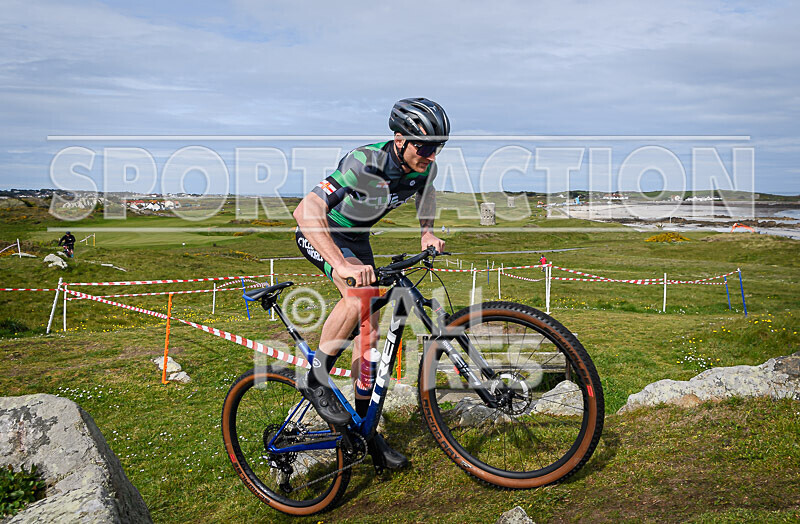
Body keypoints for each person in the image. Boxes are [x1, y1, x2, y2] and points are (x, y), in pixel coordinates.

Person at [293, 98, 449, 471]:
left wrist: (426, 232)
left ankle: (367, 433)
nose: (431, 154)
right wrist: (341, 263)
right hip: (323, 233)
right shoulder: (365, 164)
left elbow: (424, 195)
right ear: (399, 140)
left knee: (370, 333)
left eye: (438, 147)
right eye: (424, 146)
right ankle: (314, 379)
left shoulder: (424, 167)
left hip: (358, 237)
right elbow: (305, 210)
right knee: (360, 296)